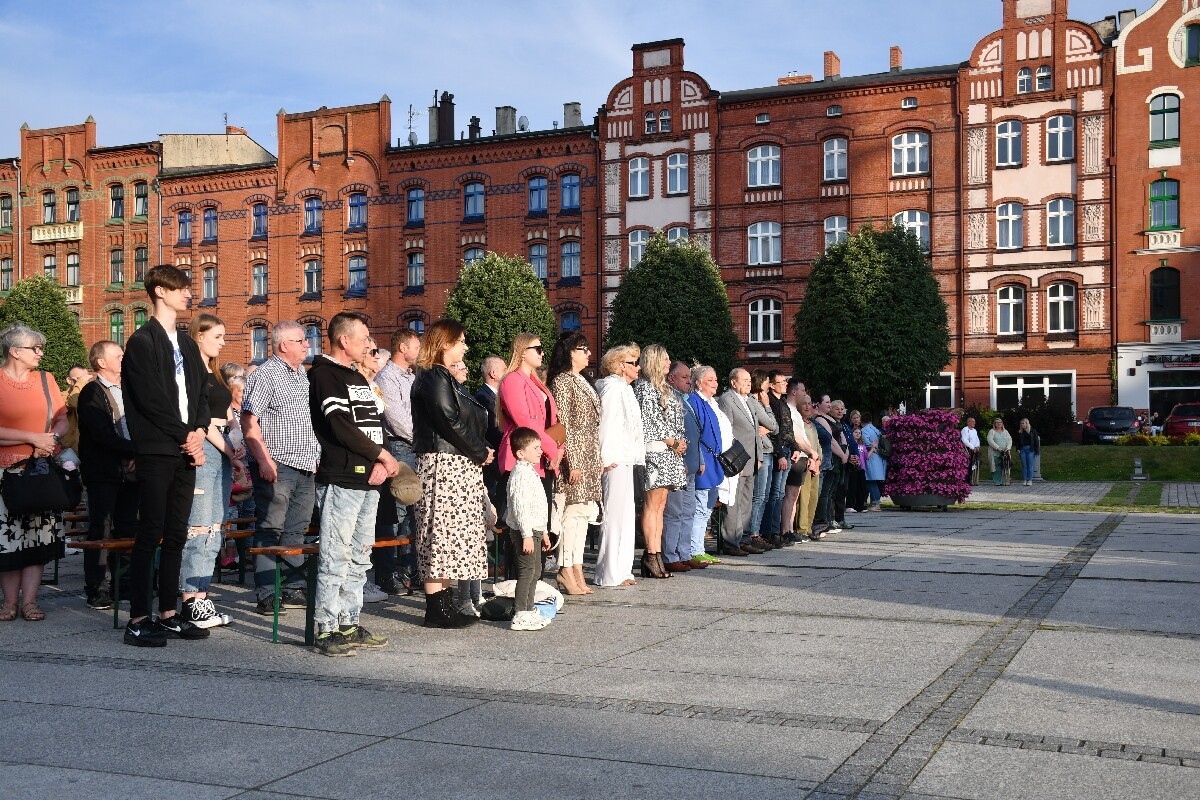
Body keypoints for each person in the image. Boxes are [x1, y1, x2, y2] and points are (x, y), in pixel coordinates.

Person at [120, 264, 210, 646]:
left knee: (177, 533)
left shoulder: (188, 343)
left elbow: (204, 392)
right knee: (150, 531)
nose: (189, 294)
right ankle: (138, 617)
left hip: (186, 447)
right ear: (160, 291)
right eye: (182, 289)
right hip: (158, 446)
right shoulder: (142, 341)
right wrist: (185, 436)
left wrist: (200, 431)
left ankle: (169, 613)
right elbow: (150, 401)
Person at [307, 312, 400, 656]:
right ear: (344, 340)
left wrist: (382, 460)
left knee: (360, 556)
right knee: (336, 554)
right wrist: (382, 456)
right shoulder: (325, 374)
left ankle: (349, 620)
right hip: (342, 478)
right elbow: (340, 425)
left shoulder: (357, 377)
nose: (369, 342)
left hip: (369, 478)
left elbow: (377, 423)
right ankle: (326, 627)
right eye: (363, 337)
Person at [411, 319, 494, 628]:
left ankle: (445, 605)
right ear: (445, 343)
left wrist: (480, 447)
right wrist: (480, 450)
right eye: (461, 341)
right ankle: (436, 609)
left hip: (458, 464)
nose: (465, 347)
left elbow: (463, 420)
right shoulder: (433, 376)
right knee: (439, 535)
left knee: (450, 538)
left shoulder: (446, 377)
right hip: (443, 465)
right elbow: (447, 420)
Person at [242, 321, 321, 617]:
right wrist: (263, 460)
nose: (306, 344)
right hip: (278, 464)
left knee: (296, 530)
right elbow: (249, 421)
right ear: (283, 344)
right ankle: (266, 594)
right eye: (301, 340)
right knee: (270, 527)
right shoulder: (266, 374)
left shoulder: (302, 374)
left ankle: (291, 587)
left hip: (306, 464)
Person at [0, 323, 69, 622]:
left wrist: (50, 439)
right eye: (35, 348)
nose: (41, 353)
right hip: (5, 472)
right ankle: (9, 602)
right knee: (8, 540)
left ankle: (29, 602)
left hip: (41, 470)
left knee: (38, 538)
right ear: (15, 351)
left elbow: (63, 419)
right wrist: (32, 438)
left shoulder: (46, 379)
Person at [179, 313, 238, 629]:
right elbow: (200, 420)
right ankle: (190, 600)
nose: (223, 342)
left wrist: (236, 446)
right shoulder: (188, 373)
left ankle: (202, 596)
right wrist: (229, 448)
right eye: (217, 336)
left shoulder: (215, 374)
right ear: (198, 336)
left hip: (223, 453)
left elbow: (228, 414)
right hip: (206, 450)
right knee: (199, 527)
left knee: (216, 526)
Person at [77, 340, 138, 610]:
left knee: (128, 527)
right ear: (101, 362)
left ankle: (123, 584)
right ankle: (98, 588)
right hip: (104, 470)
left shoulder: (130, 390)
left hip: (131, 471)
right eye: (119, 355)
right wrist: (135, 450)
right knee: (101, 528)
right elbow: (101, 434)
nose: (124, 359)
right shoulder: (92, 391)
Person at [547, 332, 602, 595]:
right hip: (575, 456)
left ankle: (577, 568)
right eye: (584, 349)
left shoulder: (582, 380)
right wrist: (573, 461)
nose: (589, 354)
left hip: (590, 453)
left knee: (583, 515)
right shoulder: (561, 382)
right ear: (570, 352)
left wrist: (597, 459)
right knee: (571, 515)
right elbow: (562, 424)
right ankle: (565, 569)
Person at [373, 327, 421, 595]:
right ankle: (387, 573)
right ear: (402, 347)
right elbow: (398, 421)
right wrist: (422, 439)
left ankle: (409, 569)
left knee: (413, 515)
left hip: (416, 448)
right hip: (401, 448)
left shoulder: (412, 377)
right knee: (394, 513)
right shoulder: (387, 378)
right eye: (416, 346)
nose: (419, 352)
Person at [632, 344, 687, 579]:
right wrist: (673, 441)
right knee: (652, 505)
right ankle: (650, 554)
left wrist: (680, 442)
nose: (668, 363)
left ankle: (657, 554)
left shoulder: (664, 388)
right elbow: (649, 422)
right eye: (664, 359)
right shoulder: (644, 388)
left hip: (670, 453)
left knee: (661, 505)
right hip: (655, 451)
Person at [593, 344, 644, 587]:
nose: (638, 367)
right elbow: (607, 425)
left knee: (625, 517)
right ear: (621, 365)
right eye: (634, 363)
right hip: (614, 459)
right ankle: (608, 572)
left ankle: (623, 569)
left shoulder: (626, 389)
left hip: (626, 458)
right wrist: (605, 457)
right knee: (613, 517)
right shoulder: (612, 389)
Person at [505, 427, 554, 631]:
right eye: (535, 447)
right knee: (526, 572)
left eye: (540, 447)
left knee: (536, 571)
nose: (540, 451)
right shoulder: (520, 474)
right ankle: (520, 613)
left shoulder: (530, 472)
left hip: (534, 530)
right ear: (520, 453)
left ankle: (529, 608)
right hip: (524, 531)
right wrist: (526, 534)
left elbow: (538, 507)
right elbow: (521, 507)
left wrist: (543, 532)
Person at [716, 369, 762, 556]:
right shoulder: (728, 399)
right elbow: (727, 431)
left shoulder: (749, 400)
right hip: (737, 459)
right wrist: (735, 461)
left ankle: (743, 538)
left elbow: (755, 430)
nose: (749, 383)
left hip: (751, 458)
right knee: (733, 502)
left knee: (746, 501)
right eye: (744, 380)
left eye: (749, 380)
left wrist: (759, 455)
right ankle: (731, 541)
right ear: (733, 383)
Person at [662, 361, 701, 573]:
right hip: (680, 463)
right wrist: (683, 462)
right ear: (671, 378)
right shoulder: (669, 398)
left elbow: (695, 434)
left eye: (689, 377)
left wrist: (699, 460)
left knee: (689, 511)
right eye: (684, 377)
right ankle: (670, 554)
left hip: (692, 464)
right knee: (674, 511)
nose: (689, 381)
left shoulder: (686, 400)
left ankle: (684, 553)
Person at [689, 365, 727, 564]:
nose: (715, 383)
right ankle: (695, 548)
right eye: (710, 380)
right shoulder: (695, 401)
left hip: (714, 460)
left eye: (716, 379)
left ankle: (699, 547)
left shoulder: (711, 402)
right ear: (698, 383)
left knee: (708, 505)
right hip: (704, 459)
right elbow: (696, 433)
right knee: (700, 505)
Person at [763, 370, 801, 546]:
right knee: (773, 494)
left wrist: (795, 447)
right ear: (771, 384)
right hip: (777, 451)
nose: (785, 384)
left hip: (786, 449)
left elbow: (788, 430)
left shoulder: (782, 402)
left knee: (779, 494)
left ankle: (776, 531)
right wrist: (779, 454)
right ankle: (770, 532)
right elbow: (774, 431)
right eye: (781, 382)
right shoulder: (770, 401)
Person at [743, 370, 778, 553]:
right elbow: (770, 426)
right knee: (758, 496)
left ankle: (756, 532)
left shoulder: (760, 402)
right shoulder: (752, 402)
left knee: (763, 496)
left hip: (768, 449)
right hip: (760, 451)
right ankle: (753, 533)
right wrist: (766, 408)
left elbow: (775, 427)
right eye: (765, 381)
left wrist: (767, 407)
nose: (767, 385)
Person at [474, 355, 505, 517]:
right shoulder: (483, 397)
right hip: (493, 461)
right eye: (504, 370)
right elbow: (491, 431)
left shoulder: (496, 396)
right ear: (493, 373)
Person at [794, 394, 824, 539]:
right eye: (804, 403)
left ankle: (810, 527)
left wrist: (818, 460)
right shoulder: (798, 423)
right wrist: (810, 458)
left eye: (809, 404)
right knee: (803, 497)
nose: (807, 406)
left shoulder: (812, 425)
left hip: (815, 464)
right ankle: (802, 529)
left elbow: (818, 445)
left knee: (814, 496)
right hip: (804, 462)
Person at [62, 364, 91, 453]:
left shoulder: (92, 397)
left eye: (86, 380)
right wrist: (79, 384)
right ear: (69, 380)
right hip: (70, 451)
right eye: (78, 379)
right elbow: (73, 404)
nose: (83, 383)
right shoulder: (62, 396)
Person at [861, 413, 886, 511]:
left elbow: (866, 443)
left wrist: (872, 447)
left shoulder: (864, 430)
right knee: (874, 481)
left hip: (871, 457)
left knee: (871, 480)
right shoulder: (876, 430)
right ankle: (875, 502)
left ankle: (876, 503)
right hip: (879, 457)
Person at [987, 418, 1013, 487]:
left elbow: (1010, 440)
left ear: (1002, 423)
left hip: (1005, 452)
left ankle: (1005, 480)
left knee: (1005, 466)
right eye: (997, 422)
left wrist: (1008, 448)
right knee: (997, 467)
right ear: (995, 424)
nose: (999, 424)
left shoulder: (1005, 431)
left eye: (1000, 422)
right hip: (995, 452)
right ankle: (997, 481)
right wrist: (998, 448)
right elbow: (990, 440)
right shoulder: (992, 431)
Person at [1016, 418, 1040, 486]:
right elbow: (1017, 441)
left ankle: (1029, 480)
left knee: (1030, 465)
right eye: (1021, 423)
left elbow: (1036, 441)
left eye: (1023, 423)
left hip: (1030, 449)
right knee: (1024, 465)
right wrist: (1018, 449)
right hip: (1023, 449)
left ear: (1027, 423)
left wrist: (1037, 451)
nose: (1022, 424)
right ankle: (1024, 479)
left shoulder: (1032, 431)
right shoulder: (1020, 432)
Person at [961, 417, 981, 485]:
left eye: (974, 421)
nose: (974, 423)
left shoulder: (974, 430)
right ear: (968, 422)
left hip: (974, 450)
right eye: (972, 421)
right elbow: (965, 440)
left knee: (973, 465)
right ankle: (965, 480)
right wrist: (972, 447)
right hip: (967, 449)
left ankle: (972, 479)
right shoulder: (965, 429)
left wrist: (977, 446)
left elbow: (977, 439)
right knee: (967, 465)